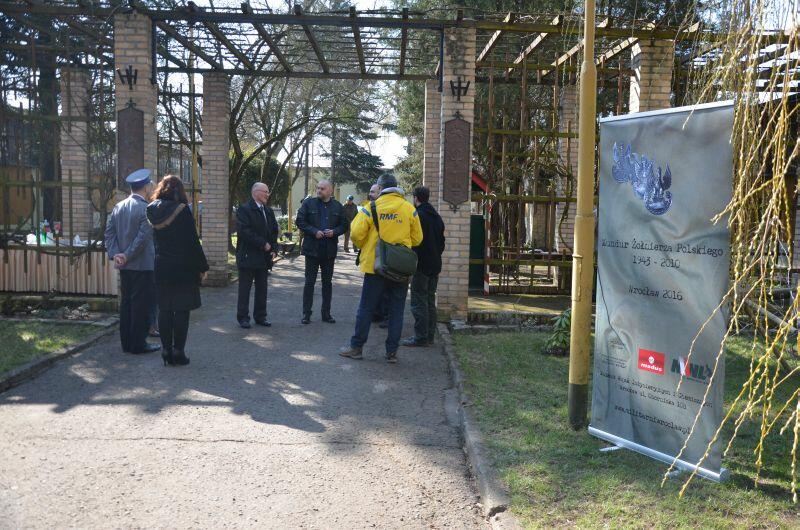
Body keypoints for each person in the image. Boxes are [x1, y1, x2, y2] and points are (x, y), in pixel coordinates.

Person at [339, 173, 423, 363]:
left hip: (374, 266)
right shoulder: (409, 209)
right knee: (397, 310)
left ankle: (356, 347)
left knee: (366, 308)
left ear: (380, 187)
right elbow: (418, 238)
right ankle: (391, 353)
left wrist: (367, 245)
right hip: (399, 268)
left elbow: (356, 234)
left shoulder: (371, 207)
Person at [146, 175, 209, 366]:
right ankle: (178, 351)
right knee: (181, 309)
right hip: (183, 267)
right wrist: (203, 266)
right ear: (180, 191)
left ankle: (166, 350)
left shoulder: (151, 210)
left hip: (161, 266)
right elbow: (192, 242)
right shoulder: (182, 210)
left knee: (164, 309)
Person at [104, 168, 160, 354]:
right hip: (143, 265)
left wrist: (117, 254)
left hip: (124, 265)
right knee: (140, 305)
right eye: (150, 185)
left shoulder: (118, 207)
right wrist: (126, 255)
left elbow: (109, 233)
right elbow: (142, 239)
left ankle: (126, 343)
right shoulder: (146, 209)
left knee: (127, 303)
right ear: (146, 187)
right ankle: (138, 344)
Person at [295, 179, 349, 324]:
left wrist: (334, 232)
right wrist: (314, 231)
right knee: (309, 283)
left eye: (322, 188)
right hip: (312, 250)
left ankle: (326, 314)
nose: (319, 190)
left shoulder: (338, 206)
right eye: (318, 188)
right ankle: (306, 314)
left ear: (330, 190)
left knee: (327, 283)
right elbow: (300, 221)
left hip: (329, 251)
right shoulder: (308, 203)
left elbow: (344, 225)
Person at [401, 186, 446, 347]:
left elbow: (415, 242)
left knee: (419, 301)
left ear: (416, 198)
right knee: (429, 300)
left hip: (421, 265)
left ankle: (420, 337)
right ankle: (429, 336)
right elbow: (442, 243)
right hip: (435, 264)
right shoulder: (436, 217)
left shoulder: (418, 216)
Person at [236, 182, 279, 329]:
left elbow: (274, 231)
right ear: (255, 192)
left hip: (264, 257)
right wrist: (263, 244)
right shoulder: (244, 209)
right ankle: (243, 318)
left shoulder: (268, 211)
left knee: (262, 288)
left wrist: (274, 248)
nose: (267, 194)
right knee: (245, 289)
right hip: (248, 256)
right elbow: (245, 231)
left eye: (268, 191)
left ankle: (260, 316)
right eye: (265, 191)